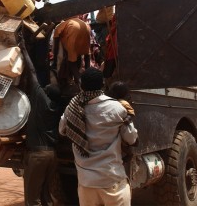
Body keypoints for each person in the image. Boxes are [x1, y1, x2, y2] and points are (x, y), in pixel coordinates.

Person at [59, 67, 138, 206]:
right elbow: (131, 138)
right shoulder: (117, 108)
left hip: (86, 183)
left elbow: (62, 130)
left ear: (81, 86)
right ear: (103, 85)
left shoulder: (72, 107)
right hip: (112, 180)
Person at [19, 39, 64, 206]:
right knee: (46, 196)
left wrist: (23, 48)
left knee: (33, 199)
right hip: (51, 155)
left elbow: (31, 71)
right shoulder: (56, 108)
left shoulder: (40, 99)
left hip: (37, 156)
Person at [103, 0, 145, 82]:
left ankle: (108, 77)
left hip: (128, 15)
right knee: (112, 46)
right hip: (124, 15)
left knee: (115, 47)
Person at [52, 16, 91, 88]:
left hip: (73, 31)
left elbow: (56, 47)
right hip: (86, 28)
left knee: (71, 61)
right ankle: (89, 78)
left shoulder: (59, 26)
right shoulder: (84, 23)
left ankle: (81, 84)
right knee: (85, 55)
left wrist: (54, 61)